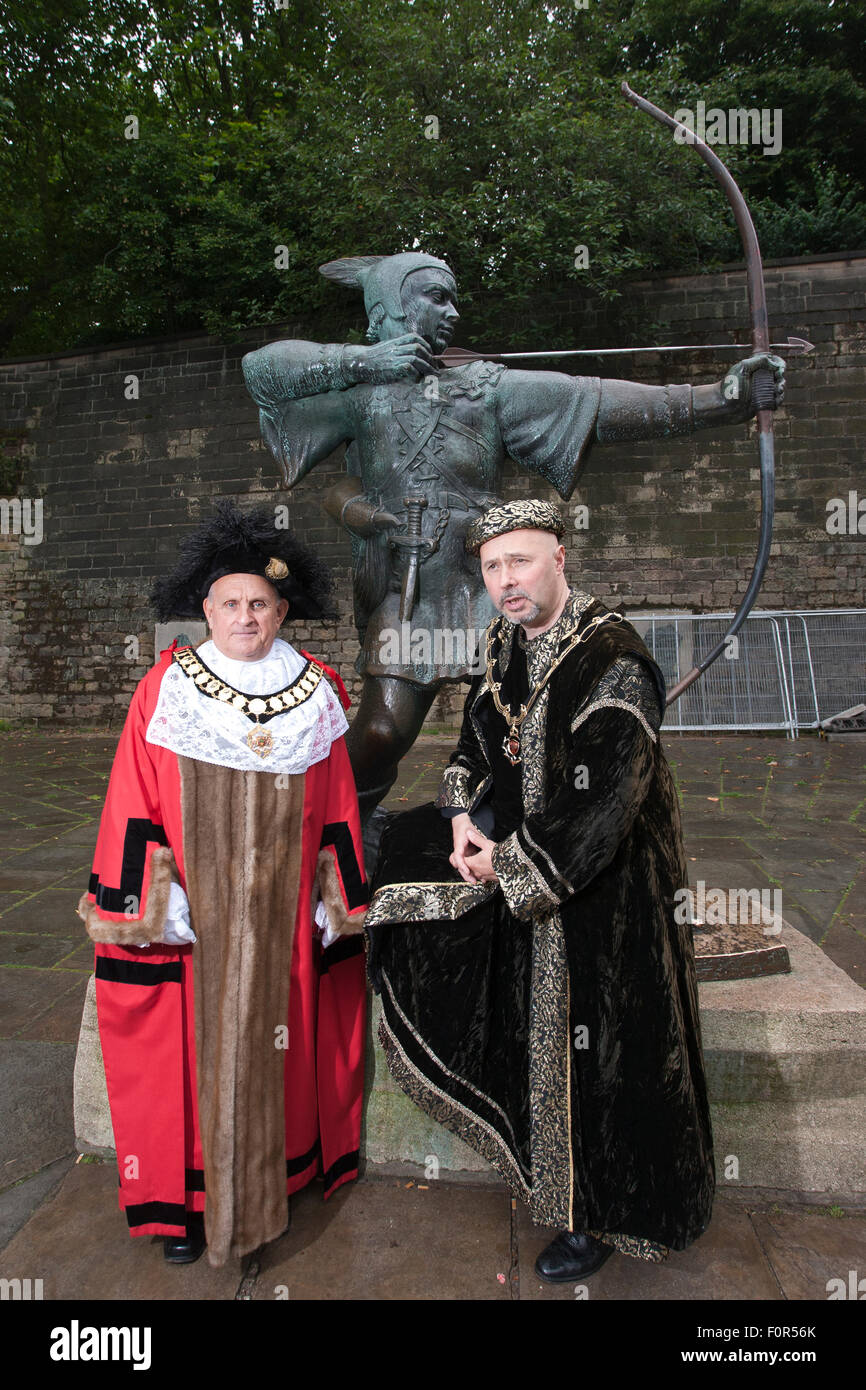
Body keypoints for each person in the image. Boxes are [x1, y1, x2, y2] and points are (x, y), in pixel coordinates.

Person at [242, 250, 784, 819]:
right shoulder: (360, 391)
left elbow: (596, 403)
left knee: (518, 729)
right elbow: (263, 371)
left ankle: (510, 838)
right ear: (390, 308)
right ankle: (330, 829)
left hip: (491, 585)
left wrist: (725, 400)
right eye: (435, 296)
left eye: (453, 297)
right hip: (409, 588)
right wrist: (364, 361)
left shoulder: (485, 388)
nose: (452, 311)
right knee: (381, 731)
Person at [364, 498, 715, 1281]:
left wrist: (509, 864)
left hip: (608, 885)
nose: (506, 581)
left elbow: (606, 806)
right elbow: (480, 735)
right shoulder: (505, 639)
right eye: (492, 567)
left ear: (559, 557)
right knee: (402, 853)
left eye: (520, 561)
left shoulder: (612, 660)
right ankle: (525, 1146)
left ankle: (600, 1214)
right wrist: (463, 815)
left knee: (600, 1053)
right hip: (521, 847)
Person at [78, 501, 368, 1268]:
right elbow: (131, 799)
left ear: (282, 610)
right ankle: (188, 1204)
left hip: (283, 921)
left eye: (261, 604)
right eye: (232, 603)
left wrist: (331, 894)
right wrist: (153, 896)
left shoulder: (316, 691)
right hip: (194, 918)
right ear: (205, 609)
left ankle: (278, 1177)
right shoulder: (164, 690)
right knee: (186, 1057)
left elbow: (338, 802)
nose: (248, 616)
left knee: (282, 1045)